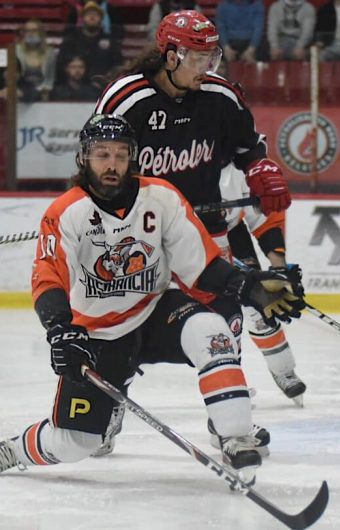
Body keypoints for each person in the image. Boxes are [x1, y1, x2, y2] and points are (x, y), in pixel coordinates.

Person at [0, 114, 304, 483]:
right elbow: (49, 278)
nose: (112, 164)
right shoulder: (66, 212)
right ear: (84, 158)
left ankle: (236, 439)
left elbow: (201, 265)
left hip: (155, 310)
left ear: (133, 158)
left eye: (120, 154)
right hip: (98, 331)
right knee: (75, 442)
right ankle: (12, 450)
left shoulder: (160, 197)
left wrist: (248, 286)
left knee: (213, 330)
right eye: (101, 154)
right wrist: (62, 330)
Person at [92, 10, 294, 453]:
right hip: (138, 236)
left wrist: (259, 169)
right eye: (196, 57)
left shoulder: (221, 97)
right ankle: (107, 413)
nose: (208, 67)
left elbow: (248, 147)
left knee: (227, 322)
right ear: (169, 55)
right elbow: (98, 160)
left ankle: (227, 420)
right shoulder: (127, 99)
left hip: (205, 233)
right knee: (122, 326)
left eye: (212, 56)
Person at [220, 164, 308, 404]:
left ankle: (284, 370)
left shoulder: (238, 167)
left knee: (261, 306)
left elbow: (263, 220)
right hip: (189, 240)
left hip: (232, 235)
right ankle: (230, 381)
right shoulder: (177, 158)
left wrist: (279, 268)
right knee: (219, 316)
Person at [57, 2, 122, 83]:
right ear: (83, 18)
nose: (92, 17)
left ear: (101, 19)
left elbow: (118, 64)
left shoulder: (111, 41)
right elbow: (61, 63)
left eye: (95, 14)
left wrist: (106, 79)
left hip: (102, 85)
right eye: (88, 14)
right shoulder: (71, 40)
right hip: (75, 86)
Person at [15, 19, 57, 102]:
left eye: (34, 30)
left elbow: (51, 78)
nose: (30, 33)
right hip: (21, 93)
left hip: (44, 94)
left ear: (41, 33)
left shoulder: (49, 53)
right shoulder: (16, 51)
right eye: (27, 31)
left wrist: (44, 89)